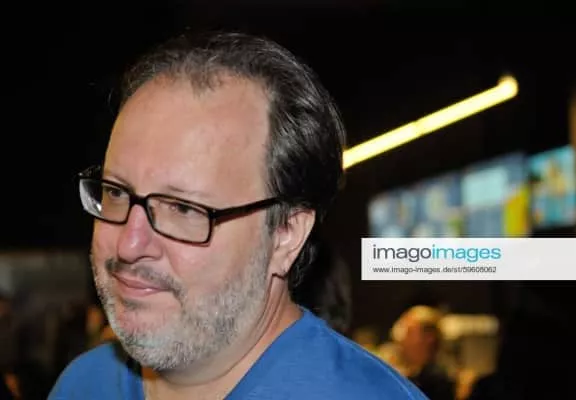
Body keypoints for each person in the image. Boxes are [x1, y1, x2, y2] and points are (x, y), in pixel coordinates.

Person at [49, 31, 427, 399]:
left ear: (286, 234)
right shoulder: (82, 384)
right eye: (116, 192)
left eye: (183, 208)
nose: (129, 245)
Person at [391, 305, 456, 400]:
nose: (402, 340)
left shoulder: (437, 382)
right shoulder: (409, 374)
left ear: (430, 338)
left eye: (409, 332)